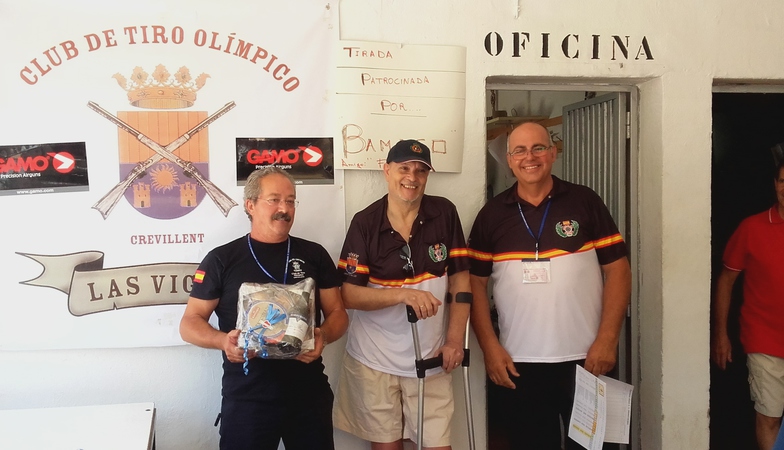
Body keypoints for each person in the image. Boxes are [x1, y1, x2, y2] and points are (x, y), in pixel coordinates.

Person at [467, 122, 631, 449]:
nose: (530, 157)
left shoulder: (585, 201)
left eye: (538, 148)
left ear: (553, 153)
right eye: (520, 151)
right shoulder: (491, 215)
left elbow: (619, 271)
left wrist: (607, 340)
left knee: (595, 446)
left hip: (588, 359)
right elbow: (474, 285)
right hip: (519, 363)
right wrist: (490, 348)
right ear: (509, 160)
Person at [179, 166, 348, 450]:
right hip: (248, 398)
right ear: (250, 205)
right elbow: (189, 323)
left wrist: (324, 336)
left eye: (291, 201)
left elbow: (338, 314)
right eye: (274, 200)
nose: (284, 209)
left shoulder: (314, 254)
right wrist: (223, 342)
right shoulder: (222, 259)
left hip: (307, 395)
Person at [334, 139, 472, 450]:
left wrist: (454, 341)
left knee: (438, 444)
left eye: (421, 170)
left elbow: (461, 282)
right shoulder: (365, 222)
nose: (412, 177)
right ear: (386, 170)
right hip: (374, 360)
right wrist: (403, 295)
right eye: (404, 168)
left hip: (432, 356)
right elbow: (349, 295)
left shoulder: (445, 213)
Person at [712, 161, 784, 450]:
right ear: (775, 185)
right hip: (764, 340)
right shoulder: (752, 227)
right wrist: (720, 334)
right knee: (769, 417)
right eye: (782, 181)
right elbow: (726, 281)